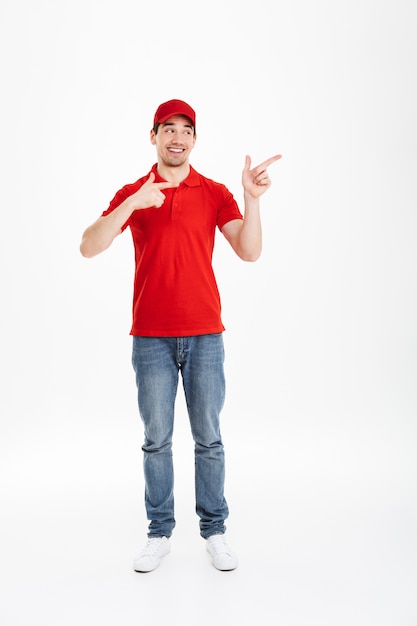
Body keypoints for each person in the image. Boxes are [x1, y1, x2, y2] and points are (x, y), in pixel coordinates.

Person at [80, 99, 281, 572]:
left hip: (206, 335)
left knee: (209, 438)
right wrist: (131, 203)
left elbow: (249, 251)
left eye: (185, 130)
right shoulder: (136, 191)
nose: (176, 137)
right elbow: (89, 246)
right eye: (167, 129)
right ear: (153, 137)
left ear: (194, 139)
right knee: (156, 439)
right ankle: (159, 532)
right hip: (150, 336)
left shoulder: (212, 193)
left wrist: (251, 199)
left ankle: (214, 531)